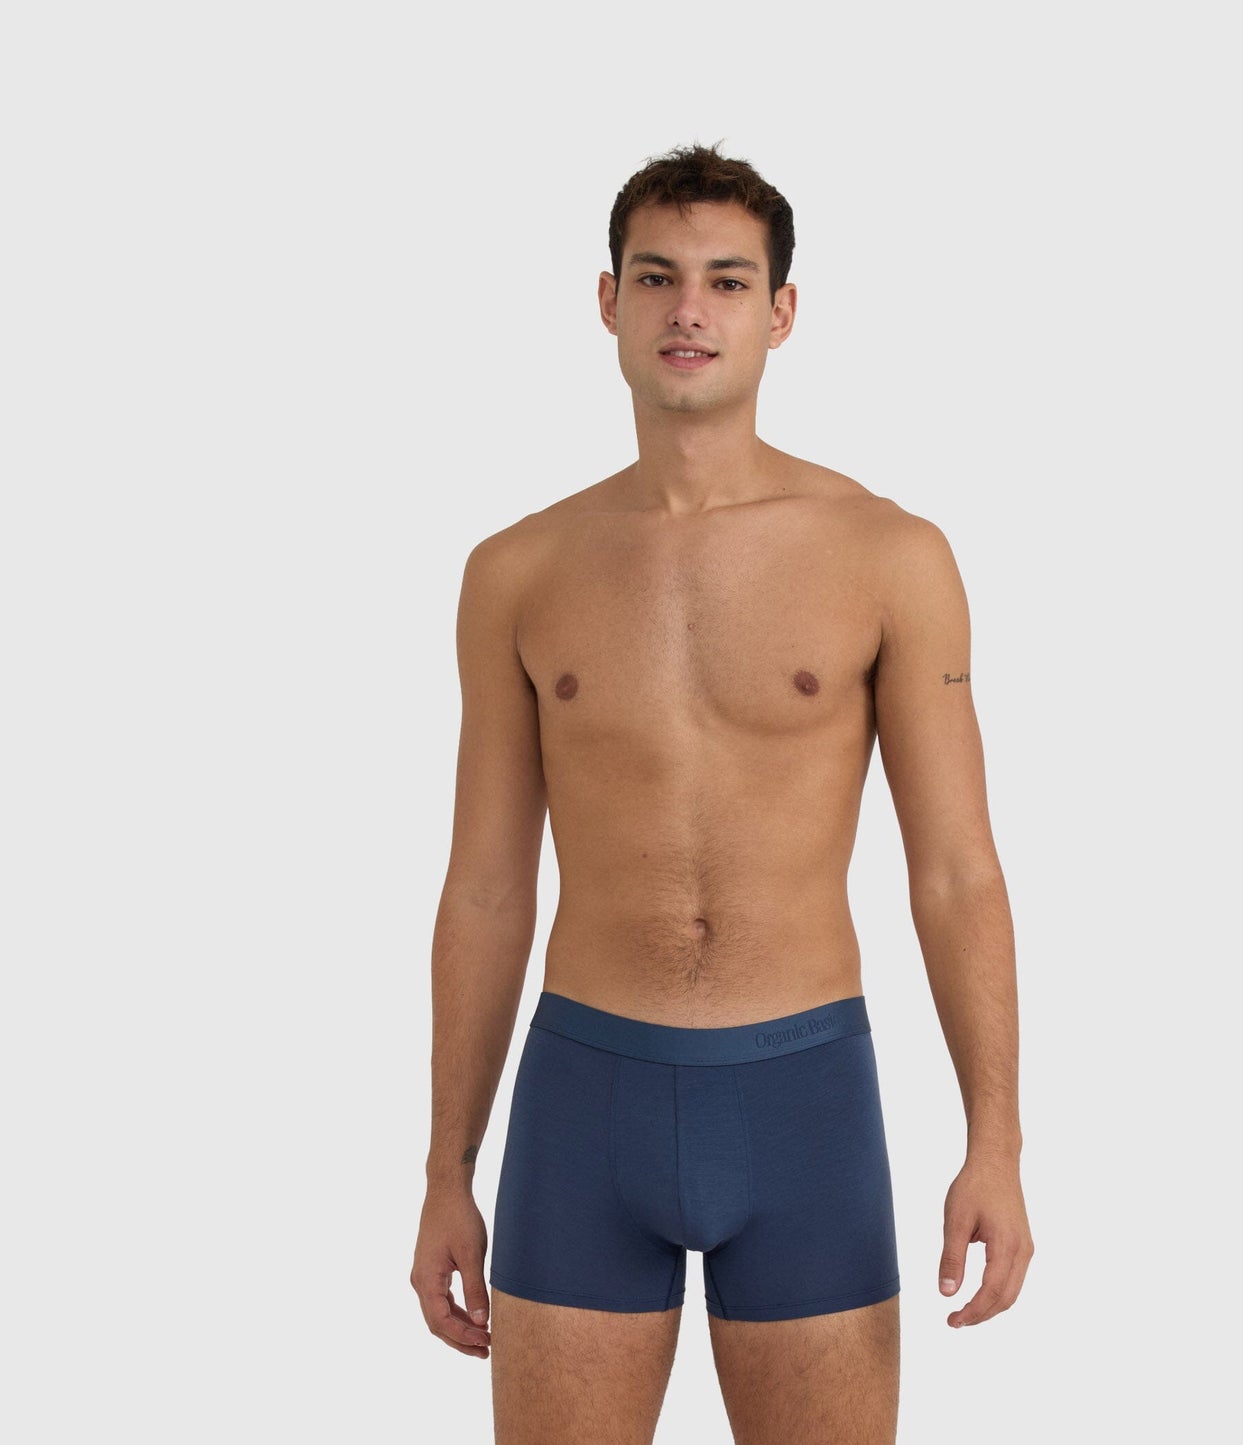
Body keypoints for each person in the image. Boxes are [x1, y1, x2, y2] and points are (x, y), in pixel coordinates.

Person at [410, 142, 1033, 1443]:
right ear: (608, 302)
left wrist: (997, 1141)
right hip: (584, 1096)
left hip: (802, 1095)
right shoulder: (516, 571)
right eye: (657, 277)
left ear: (779, 311)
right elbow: (484, 887)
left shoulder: (889, 555)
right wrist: (444, 1169)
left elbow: (955, 870)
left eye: (727, 280)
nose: (688, 309)